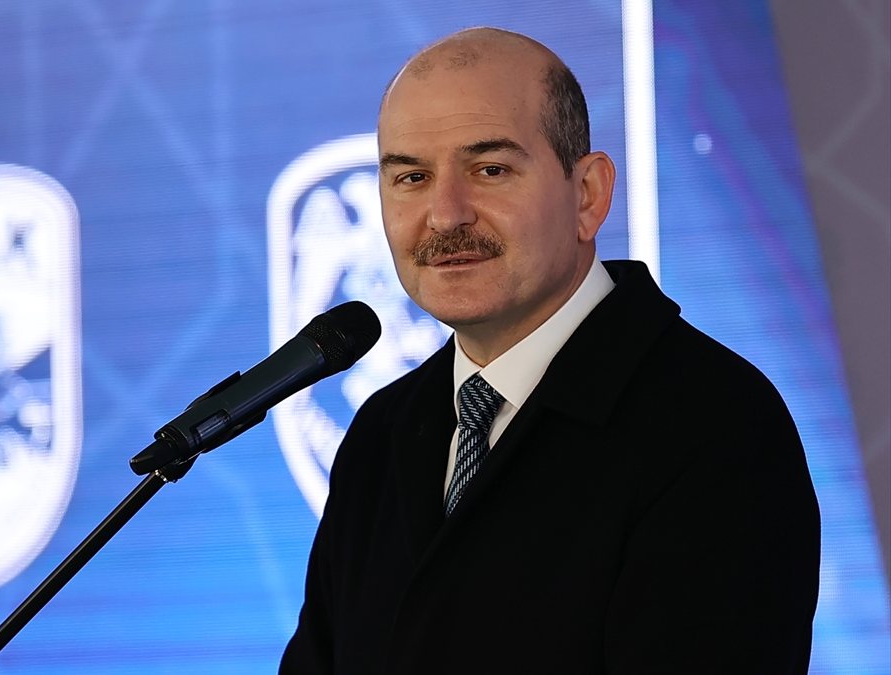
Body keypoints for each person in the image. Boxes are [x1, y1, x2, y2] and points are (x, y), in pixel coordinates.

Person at [281, 27, 819, 674]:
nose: (445, 214)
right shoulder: (380, 432)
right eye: (412, 177)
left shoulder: (716, 424)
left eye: (490, 170)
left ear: (588, 194)